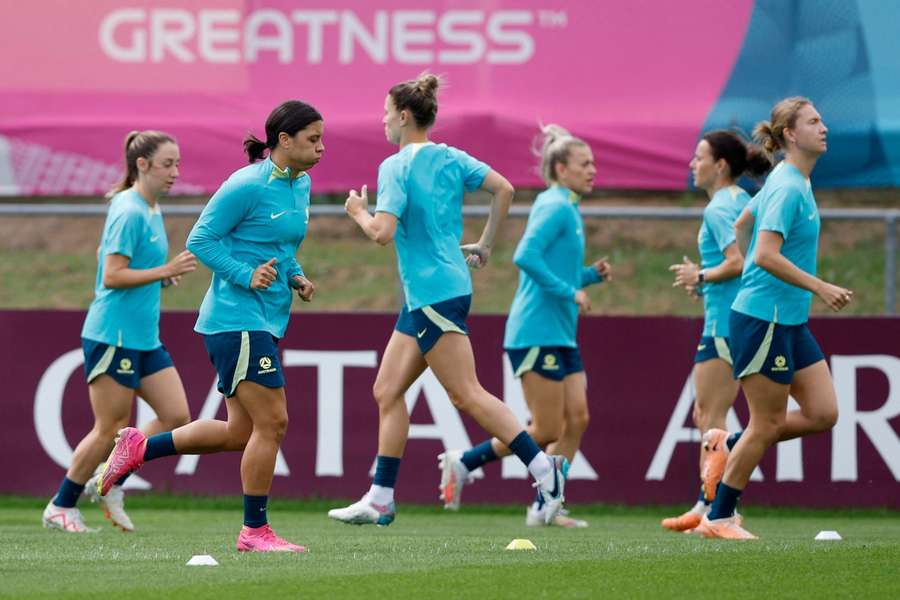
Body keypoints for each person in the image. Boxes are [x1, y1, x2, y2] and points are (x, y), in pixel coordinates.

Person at [328, 73, 568, 527]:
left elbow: (382, 233)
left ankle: (544, 469)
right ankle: (380, 497)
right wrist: (487, 243)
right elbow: (505, 189)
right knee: (387, 389)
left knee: (468, 394)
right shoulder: (450, 157)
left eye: (385, 113)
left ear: (403, 116)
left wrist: (359, 211)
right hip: (439, 289)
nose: (382, 122)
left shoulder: (394, 166)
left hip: (433, 292)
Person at [98, 101, 323, 552]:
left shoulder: (302, 184)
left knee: (239, 432)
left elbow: (279, 243)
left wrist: (294, 274)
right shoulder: (246, 184)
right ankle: (254, 531)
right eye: (313, 139)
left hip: (266, 317)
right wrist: (244, 275)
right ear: (284, 140)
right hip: (235, 318)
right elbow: (200, 239)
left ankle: (140, 449)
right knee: (273, 422)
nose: (321, 148)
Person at [437, 125, 611, 528]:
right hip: (535, 331)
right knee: (548, 426)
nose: (593, 170)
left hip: (560, 332)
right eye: (585, 164)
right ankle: (465, 462)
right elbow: (525, 257)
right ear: (561, 168)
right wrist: (570, 291)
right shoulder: (553, 205)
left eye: (593, 164)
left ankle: (547, 504)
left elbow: (554, 268)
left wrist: (587, 277)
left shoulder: (567, 206)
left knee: (578, 419)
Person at [695, 97, 852, 539]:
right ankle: (720, 518)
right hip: (763, 319)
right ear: (789, 135)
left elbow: (744, 223)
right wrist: (818, 286)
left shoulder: (790, 180)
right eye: (813, 121)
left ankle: (729, 442)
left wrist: (751, 269)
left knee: (823, 413)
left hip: (788, 320)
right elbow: (763, 253)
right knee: (766, 424)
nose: (824, 127)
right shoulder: (786, 186)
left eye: (822, 119)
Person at [42, 131, 196, 533]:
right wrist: (165, 271)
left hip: (143, 336)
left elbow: (109, 259)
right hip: (114, 335)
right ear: (142, 165)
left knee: (176, 415)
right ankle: (61, 505)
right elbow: (110, 274)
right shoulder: (129, 210)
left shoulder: (150, 208)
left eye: (178, 164)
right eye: (168, 164)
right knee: (109, 427)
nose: (175, 172)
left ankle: (111, 478)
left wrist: (156, 280)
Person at [660, 130, 769, 532]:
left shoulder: (720, 207)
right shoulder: (741, 201)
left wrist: (701, 273)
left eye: (699, 156)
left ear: (720, 165)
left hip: (725, 324)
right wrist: (704, 282)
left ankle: (713, 507)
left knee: (711, 416)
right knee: (709, 414)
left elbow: (738, 261)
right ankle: (710, 503)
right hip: (736, 317)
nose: (692, 163)